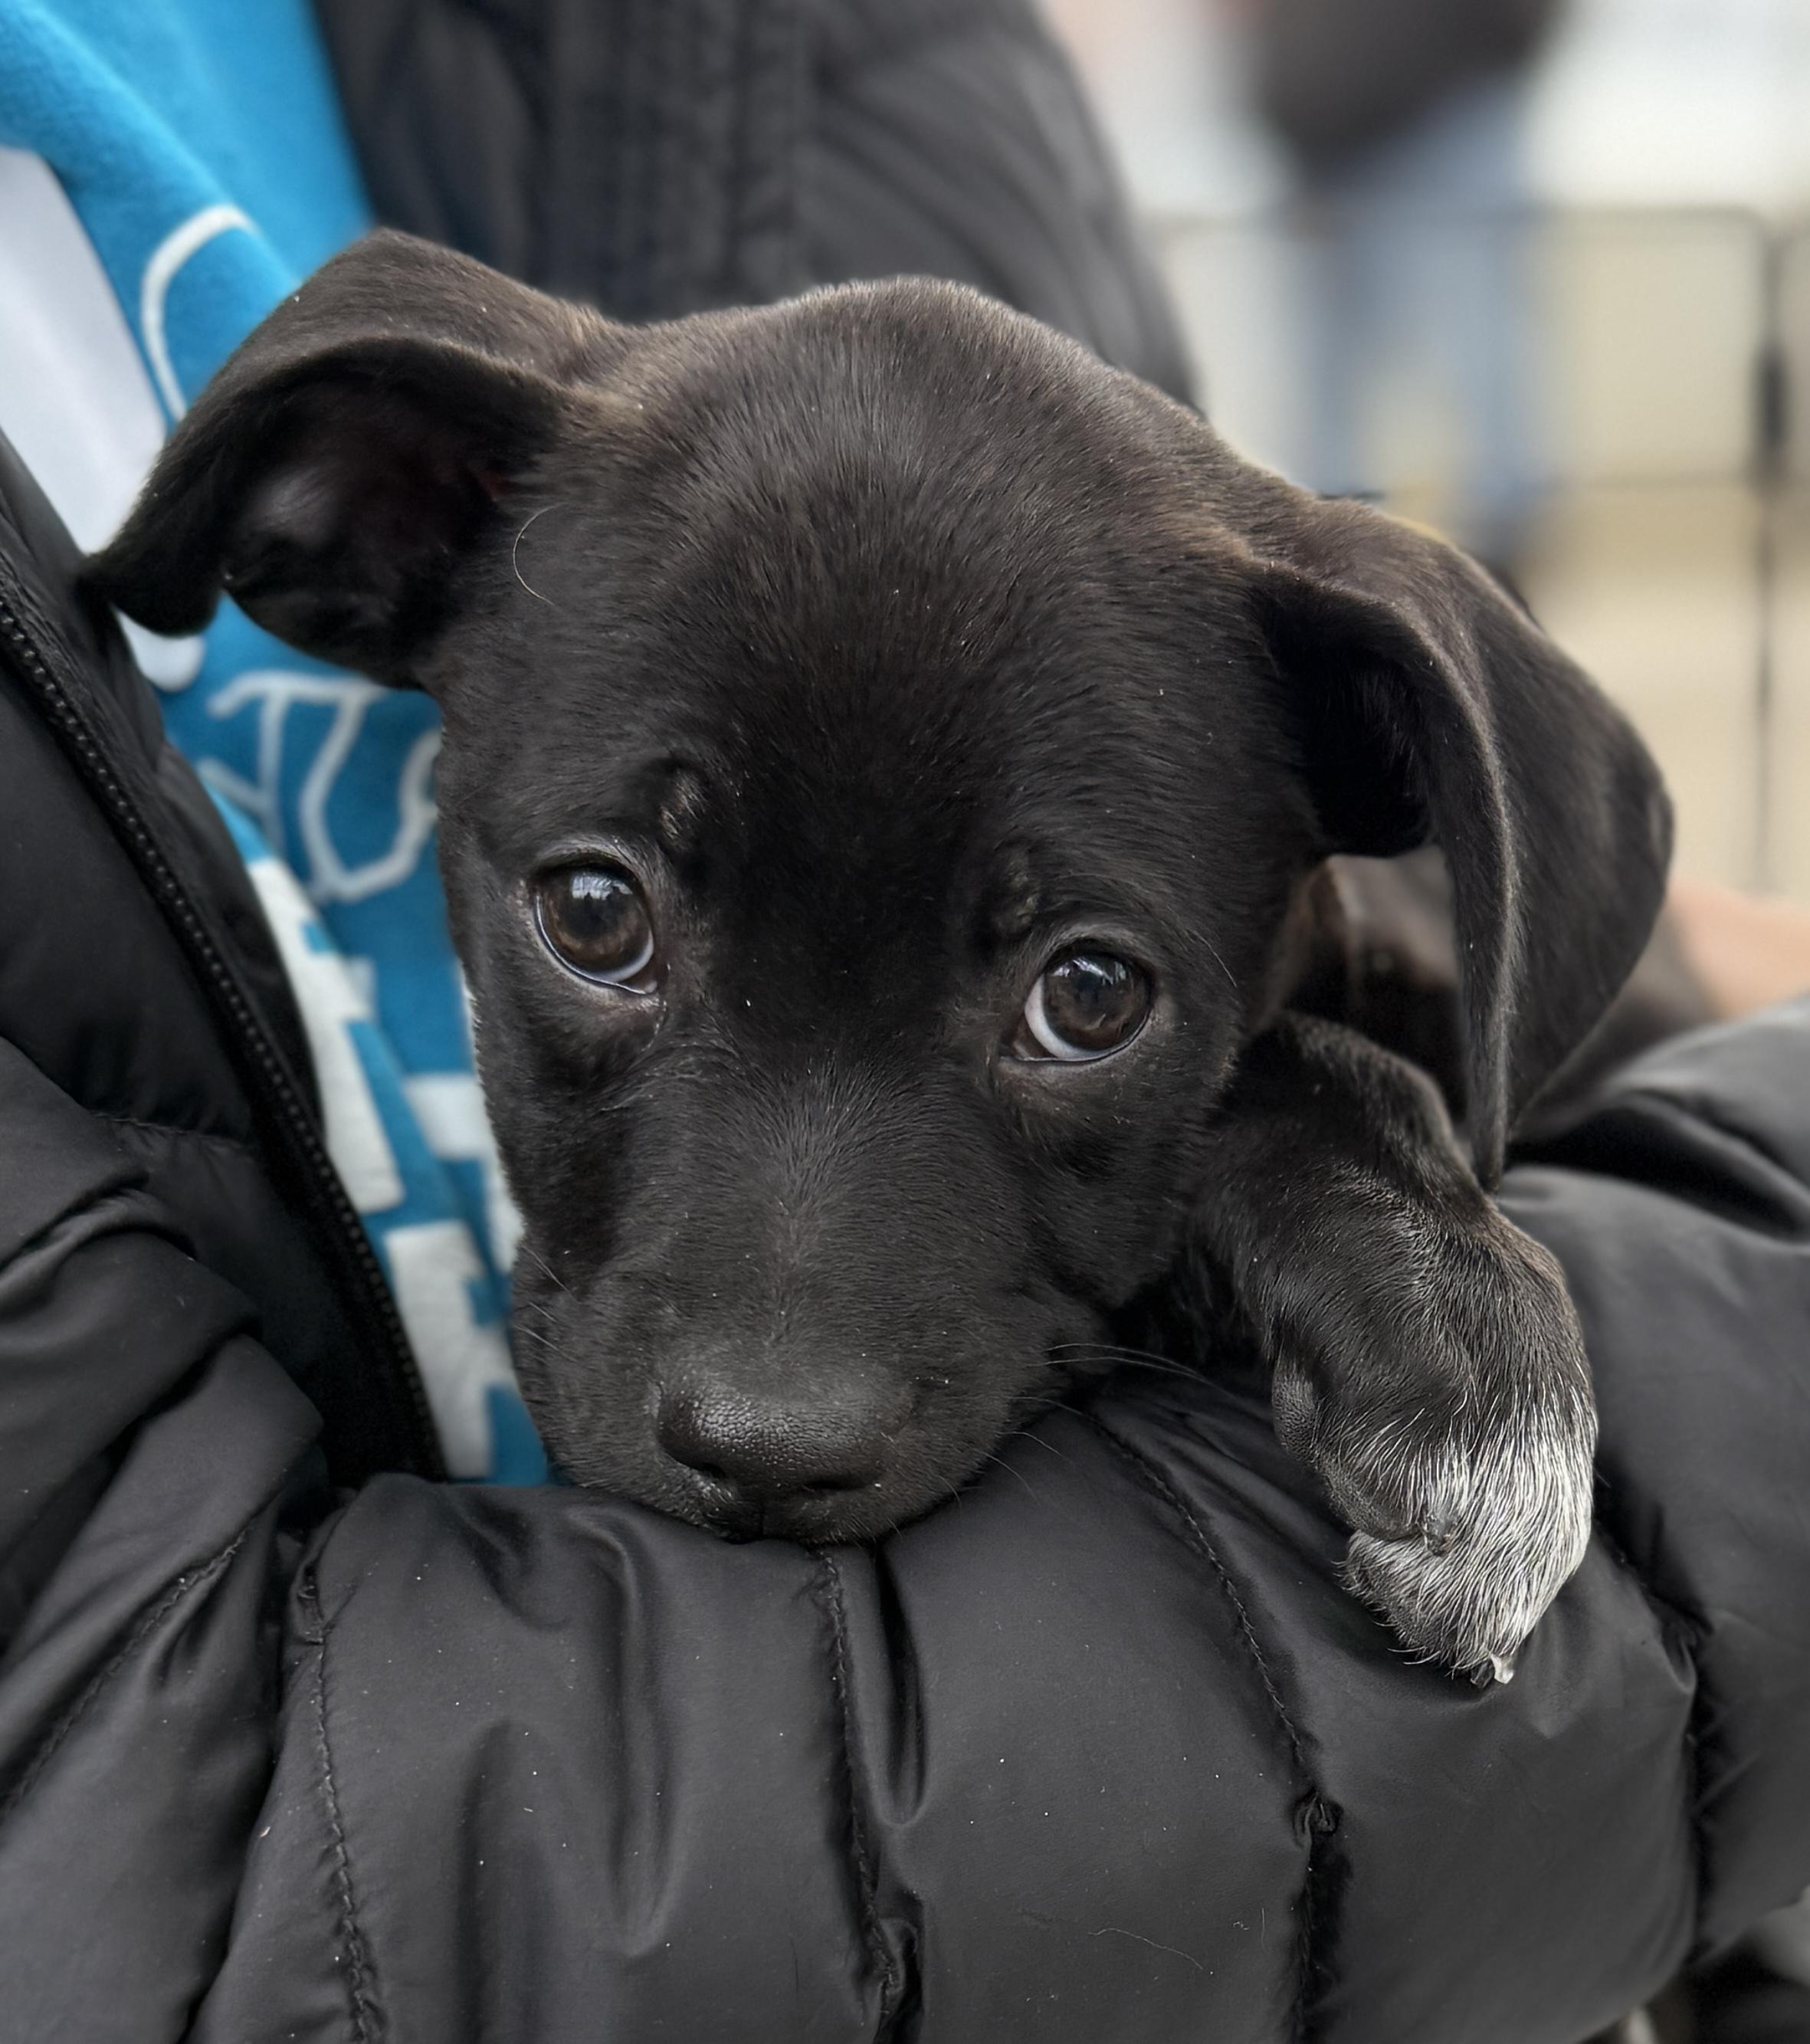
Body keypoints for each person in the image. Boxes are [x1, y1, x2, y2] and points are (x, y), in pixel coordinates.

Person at [1, 2, 1808, 2036]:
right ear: (360, 514)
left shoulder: (880, 55)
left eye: (1080, 990)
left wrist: (1350, 1125)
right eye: (601, 916)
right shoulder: (490, 481)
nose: (778, 1392)